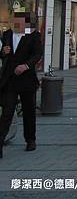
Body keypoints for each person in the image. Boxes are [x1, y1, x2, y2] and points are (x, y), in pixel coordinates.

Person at [0, 12, 42, 158]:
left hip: (26, 79)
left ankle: (30, 139)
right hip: (10, 79)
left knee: (28, 111)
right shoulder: (6, 34)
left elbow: (37, 54)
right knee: (7, 111)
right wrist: (2, 52)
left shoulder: (34, 35)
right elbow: (3, 53)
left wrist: (26, 65)